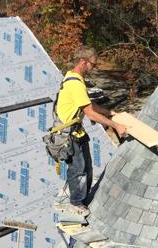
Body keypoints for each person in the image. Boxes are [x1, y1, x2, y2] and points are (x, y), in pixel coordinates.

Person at [54, 46, 126, 214]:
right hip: (69, 135)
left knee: (87, 168)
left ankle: (84, 199)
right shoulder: (75, 83)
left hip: (76, 132)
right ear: (82, 62)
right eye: (93, 64)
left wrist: (109, 112)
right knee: (78, 170)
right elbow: (90, 114)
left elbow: (88, 105)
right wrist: (116, 125)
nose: (94, 68)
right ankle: (76, 203)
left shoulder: (75, 78)